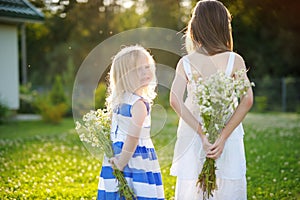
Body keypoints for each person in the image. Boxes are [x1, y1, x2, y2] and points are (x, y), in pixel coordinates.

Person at [169, 0, 253, 199]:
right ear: (224, 27)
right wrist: (222, 137)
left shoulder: (186, 62)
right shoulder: (235, 60)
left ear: (195, 28)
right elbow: (247, 99)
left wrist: (202, 134)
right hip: (228, 133)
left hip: (193, 133)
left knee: (194, 184)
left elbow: (174, 99)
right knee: (228, 181)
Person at [97, 45, 165, 200]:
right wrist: (121, 162)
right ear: (123, 76)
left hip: (124, 153)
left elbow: (126, 133)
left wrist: (120, 159)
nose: (145, 72)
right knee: (133, 191)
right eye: (137, 70)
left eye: (147, 67)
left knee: (123, 191)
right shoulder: (133, 103)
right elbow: (131, 136)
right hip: (130, 155)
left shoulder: (128, 102)